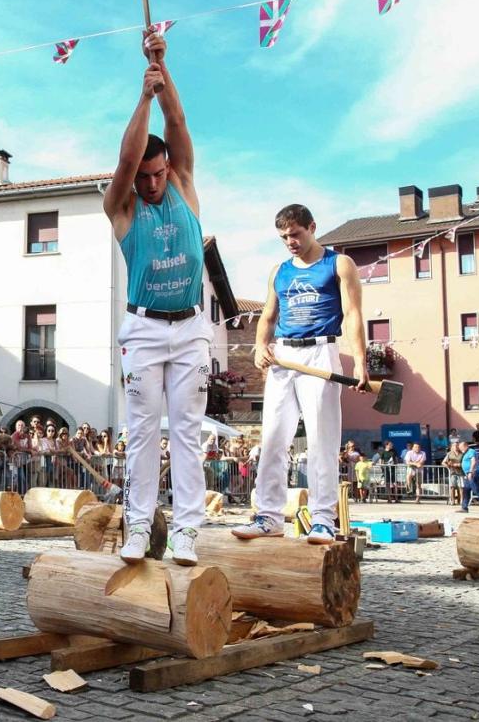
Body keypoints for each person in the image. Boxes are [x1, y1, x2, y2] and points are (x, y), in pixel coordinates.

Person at [102, 29, 207, 564]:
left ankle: (188, 531)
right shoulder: (123, 207)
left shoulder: (183, 182)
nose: (150, 184)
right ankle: (139, 527)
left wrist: (161, 71)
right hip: (142, 330)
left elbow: (179, 125)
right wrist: (141, 96)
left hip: (190, 328)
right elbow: (124, 163)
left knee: (187, 431)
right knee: (142, 433)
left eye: (157, 174)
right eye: (143, 177)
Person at [234, 204, 370, 547]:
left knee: (322, 440)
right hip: (283, 355)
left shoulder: (338, 264)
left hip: (320, 352)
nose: (290, 242)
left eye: (295, 234)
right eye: (283, 237)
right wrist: (260, 346)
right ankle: (268, 516)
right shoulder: (279, 271)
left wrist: (360, 364)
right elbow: (267, 315)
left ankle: (323, 520)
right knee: (273, 438)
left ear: (312, 227)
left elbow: (353, 314)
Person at [443, 441, 465, 506]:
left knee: (461, 487)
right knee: (452, 487)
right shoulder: (449, 454)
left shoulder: (462, 454)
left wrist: (459, 464)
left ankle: (461, 501)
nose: (455, 447)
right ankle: (452, 501)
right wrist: (448, 466)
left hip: (461, 472)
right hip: (452, 472)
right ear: (452, 447)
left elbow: (465, 462)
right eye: (454, 446)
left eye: (457, 445)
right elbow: (443, 462)